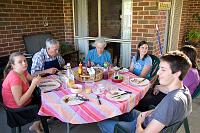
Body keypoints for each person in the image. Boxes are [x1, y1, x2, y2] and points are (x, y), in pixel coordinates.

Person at [98, 50, 192, 133]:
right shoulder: (184, 91)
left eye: (163, 69)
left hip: (139, 127)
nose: (158, 73)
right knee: (126, 109)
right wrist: (149, 112)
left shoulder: (171, 101)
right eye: (159, 68)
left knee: (101, 122)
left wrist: (139, 122)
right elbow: (165, 113)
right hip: (149, 119)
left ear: (177, 73)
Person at [2, 52, 43, 133]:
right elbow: (19, 103)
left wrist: (51, 80)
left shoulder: (22, 71)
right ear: (13, 65)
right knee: (47, 105)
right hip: (18, 110)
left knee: (46, 99)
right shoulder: (14, 78)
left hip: (27, 100)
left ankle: (37, 124)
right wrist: (33, 84)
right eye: (20, 62)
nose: (24, 63)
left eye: (25, 60)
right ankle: (37, 123)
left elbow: (33, 79)